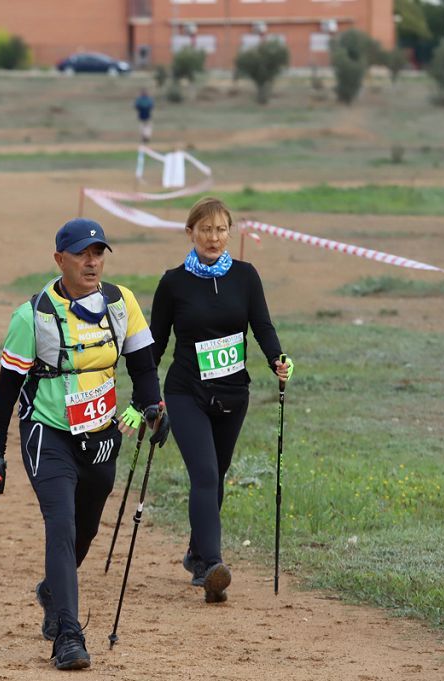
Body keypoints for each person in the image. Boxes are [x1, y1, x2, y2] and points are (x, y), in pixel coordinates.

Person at [0, 219, 169, 670]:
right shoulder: (34, 315)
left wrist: (153, 406)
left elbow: (143, 367)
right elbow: (6, 390)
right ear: (59, 259)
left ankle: (51, 591)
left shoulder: (122, 304)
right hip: (47, 432)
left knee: (85, 529)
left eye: (99, 253)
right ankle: (68, 635)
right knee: (61, 525)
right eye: (82, 254)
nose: (92, 261)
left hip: (101, 434)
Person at [149, 197, 293, 604]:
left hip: (233, 394)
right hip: (186, 392)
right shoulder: (173, 282)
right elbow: (157, 344)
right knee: (206, 475)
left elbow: (262, 326)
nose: (213, 237)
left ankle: (196, 554)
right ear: (190, 232)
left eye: (220, 229)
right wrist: (145, 396)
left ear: (229, 233)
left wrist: (277, 359)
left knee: (218, 476)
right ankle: (213, 566)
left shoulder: (246, 276)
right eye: (205, 229)